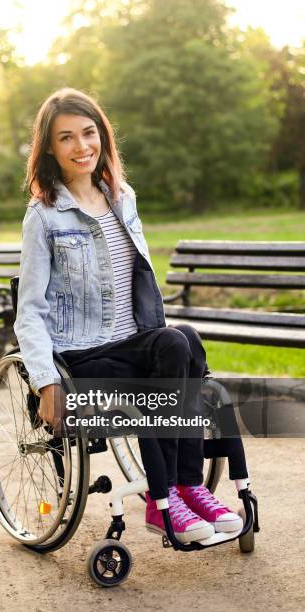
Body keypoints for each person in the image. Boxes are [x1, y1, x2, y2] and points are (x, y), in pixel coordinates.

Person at [14, 87, 243, 544]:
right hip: (82, 355)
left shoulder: (123, 198)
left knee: (184, 340)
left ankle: (185, 487)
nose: (81, 147)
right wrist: (45, 382)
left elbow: (138, 278)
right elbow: (30, 312)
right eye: (66, 138)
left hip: (131, 341)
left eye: (88, 133)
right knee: (173, 352)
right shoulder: (43, 216)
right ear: (50, 149)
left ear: (102, 137)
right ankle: (167, 498)